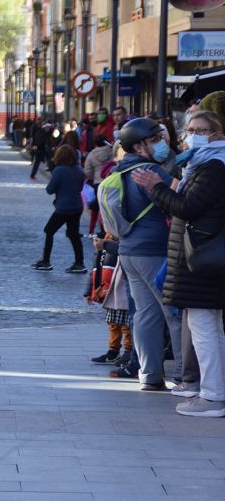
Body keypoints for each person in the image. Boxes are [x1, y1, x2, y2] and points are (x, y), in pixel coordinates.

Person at [133, 110, 225, 416]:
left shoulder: (213, 166)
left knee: (204, 328)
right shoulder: (200, 164)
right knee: (210, 327)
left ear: (216, 134)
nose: (193, 133)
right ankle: (214, 390)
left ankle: (212, 395)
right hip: (202, 255)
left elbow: (188, 207)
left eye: (201, 129)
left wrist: (155, 187)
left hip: (203, 257)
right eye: (190, 128)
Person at [104, 117, 181, 389]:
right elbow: (180, 202)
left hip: (128, 251)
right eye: (155, 140)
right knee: (173, 312)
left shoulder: (120, 171)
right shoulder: (151, 171)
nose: (161, 145)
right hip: (154, 251)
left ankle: (150, 375)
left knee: (145, 314)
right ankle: (184, 373)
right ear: (139, 146)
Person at [31, 144, 86, 273]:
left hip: (63, 207)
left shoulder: (59, 170)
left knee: (49, 230)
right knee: (74, 235)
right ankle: (80, 263)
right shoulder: (79, 169)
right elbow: (80, 187)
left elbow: (50, 190)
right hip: (77, 206)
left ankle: (46, 261)